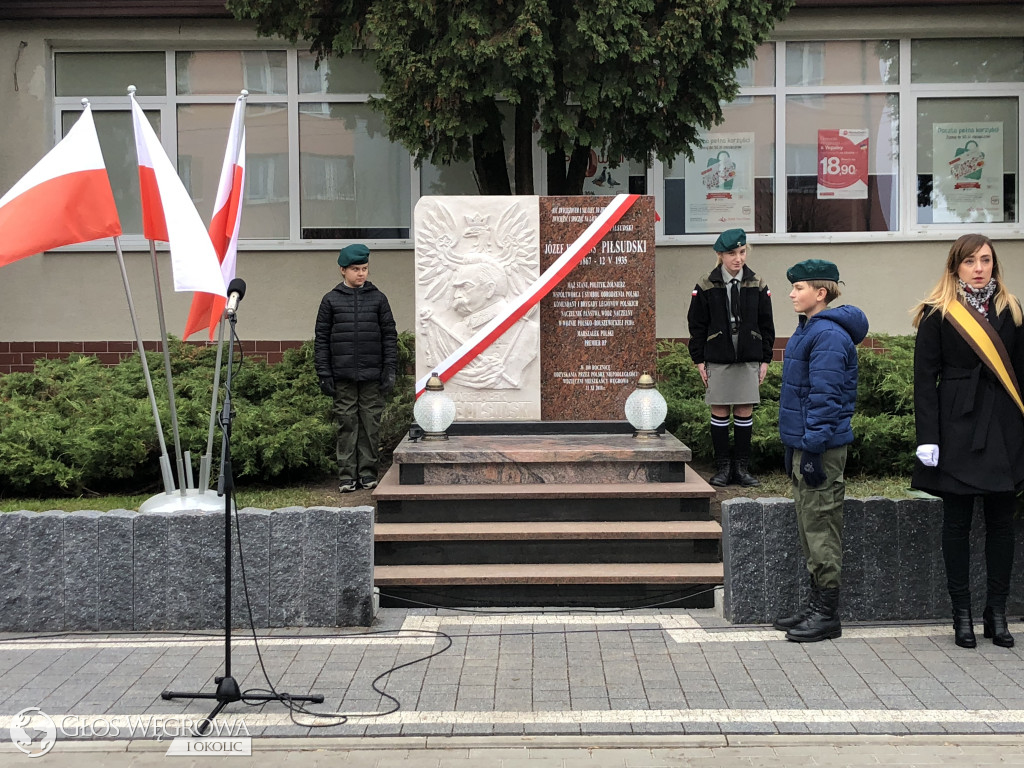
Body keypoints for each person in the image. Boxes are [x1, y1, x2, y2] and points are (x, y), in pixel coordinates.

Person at [911, 233, 1024, 649]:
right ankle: (962, 614)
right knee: (956, 525)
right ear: (955, 266)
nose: (979, 268)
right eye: (970, 261)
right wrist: (929, 438)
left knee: (1001, 525)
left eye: (986, 260)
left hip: (1005, 428)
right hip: (956, 427)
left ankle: (997, 613)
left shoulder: (1011, 311)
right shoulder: (938, 314)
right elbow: (925, 382)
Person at [774, 259, 868, 643]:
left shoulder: (827, 335)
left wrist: (811, 450)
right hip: (808, 445)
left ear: (821, 292)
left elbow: (825, 400)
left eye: (798, 287)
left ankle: (827, 615)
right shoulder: (809, 330)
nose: (792, 293)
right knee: (809, 526)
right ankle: (816, 605)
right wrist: (795, 446)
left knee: (822, 528)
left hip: (822, 449)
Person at [686, 228, 775, 487]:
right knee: (720, 409)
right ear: (720, 255)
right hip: (718, 356)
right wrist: (699, 360)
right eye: (731, 253)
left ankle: (742, 468)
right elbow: (697, 325)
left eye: (742, 252)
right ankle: (723, 467)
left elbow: (766, 324)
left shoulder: (757, 283)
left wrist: (766, 358)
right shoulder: (706, 284)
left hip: (748, 355)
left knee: (745, 409)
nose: (738, 258)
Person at [314, 244, 398, 493]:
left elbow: (389, 336)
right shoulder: (330, 300)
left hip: (372, 375)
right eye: (355, 269)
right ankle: (347, 476)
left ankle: (368, 474)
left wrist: (389, 369)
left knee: (371, 424)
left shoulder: (378, 299)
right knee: (347, 425)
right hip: (342, 376)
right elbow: (321, 340)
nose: (361, 273)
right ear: (342, 270)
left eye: (364, 268)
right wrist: (324, 373)